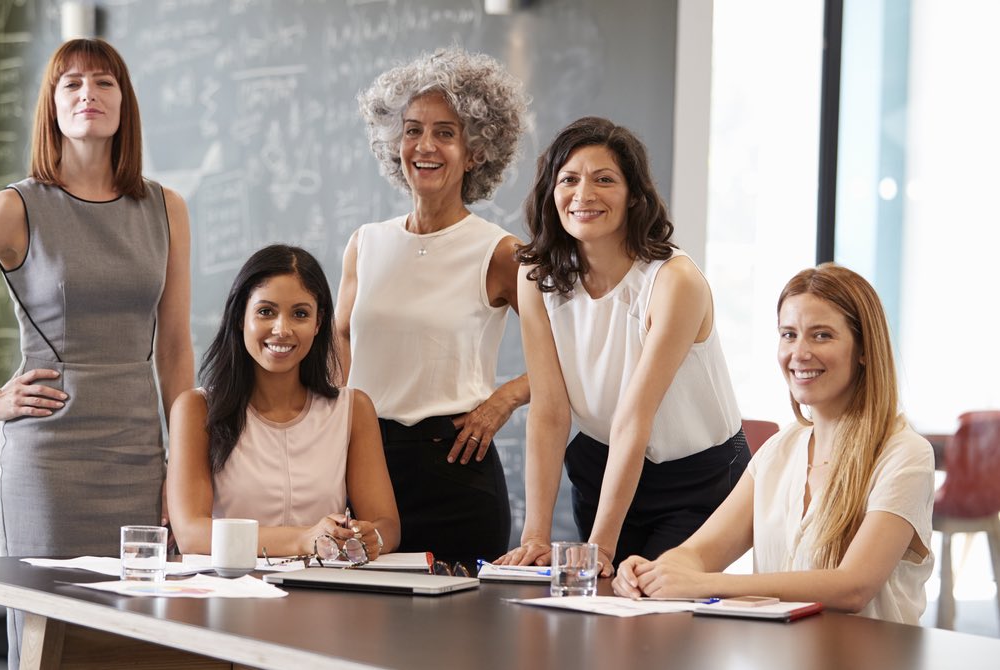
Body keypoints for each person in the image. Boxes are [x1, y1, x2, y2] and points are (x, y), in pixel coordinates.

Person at [0, 38, 193, 665]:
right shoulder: (14, 208)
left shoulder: (167, 208)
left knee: (136, 641)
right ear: (51, 106)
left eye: (104, 83)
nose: (89, 94)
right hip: (48, 464)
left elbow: (176, 348)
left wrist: (184, 467)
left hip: (139, 458)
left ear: (124, 103)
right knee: (47, 639)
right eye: (71, 84)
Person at [612, 264, 935, 625]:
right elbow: (696, 554)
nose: (799, 352)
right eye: (788, 334)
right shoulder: (778, 452)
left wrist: (705, 584)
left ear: (863, 348)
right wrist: (653, 571)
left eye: (822, 335)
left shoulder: (905, 455)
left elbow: (853, 587)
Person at [498, 117, 749, 575]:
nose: (583, 194)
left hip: (697, 479)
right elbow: (551, 411)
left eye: (604, 180)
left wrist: (602, 549)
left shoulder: (675, 281)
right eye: (569, 179)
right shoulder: (537, 276)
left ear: (634, 195)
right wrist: (535, 535)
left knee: (653, 606)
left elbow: (636, 418)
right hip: (601, 465)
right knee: (600, 615)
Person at [334, 48, 529, 563]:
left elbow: (568, 354)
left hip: (456, 472)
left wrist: (503, 400)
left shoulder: (501, 251)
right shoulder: (365, 242)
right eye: (413, 129)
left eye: (446, 132)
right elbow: (340, 339)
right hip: (364, 468)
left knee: (457, 640)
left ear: (477, 150)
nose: (425, 145)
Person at [167, 245, 399, 561]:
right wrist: (303, 539)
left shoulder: (352, 409)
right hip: (230, 595)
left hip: (324, 595)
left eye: (300, 314)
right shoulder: (195, 409)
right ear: (240, 317)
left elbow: (387, 525)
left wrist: (370, 538)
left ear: (318, 324)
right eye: (266, 311)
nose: (282, 329)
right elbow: (191, 534)